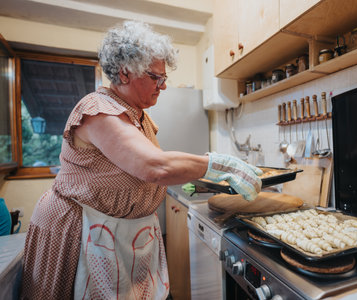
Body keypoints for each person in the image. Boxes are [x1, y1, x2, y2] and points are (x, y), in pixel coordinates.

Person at [20, 20, 262, 300]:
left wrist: (198, 175)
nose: (163, 86)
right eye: (155, 77)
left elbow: (155, 164)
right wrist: (220, 165)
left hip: (119, 234)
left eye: (164, 77)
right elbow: (154, 166)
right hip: (79, 231)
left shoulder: (138, 115)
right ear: (124, 73)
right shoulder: (97, 110)